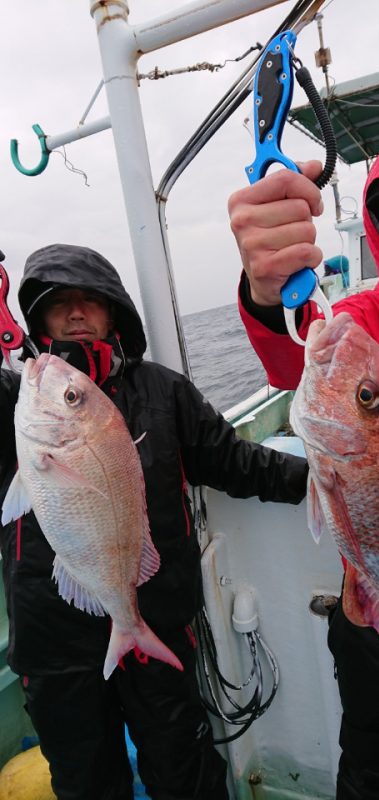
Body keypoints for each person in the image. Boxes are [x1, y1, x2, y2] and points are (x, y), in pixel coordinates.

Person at [0, 243, 310, 800]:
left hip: (157, 618)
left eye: (91, 300)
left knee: (184, 770)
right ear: (37, 317)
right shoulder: (15, 402)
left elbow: (233, 461)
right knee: (85, 781)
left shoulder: (164, 391)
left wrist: (321, 479)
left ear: (114, 310)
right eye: (60, 302)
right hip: (52, 641)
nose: (77, 312)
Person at [228, 132, 379, 800]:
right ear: (378, 235)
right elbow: (295, 349)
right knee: (376, 777)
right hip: (376, 614)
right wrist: (269, 289)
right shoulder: (359, 322)